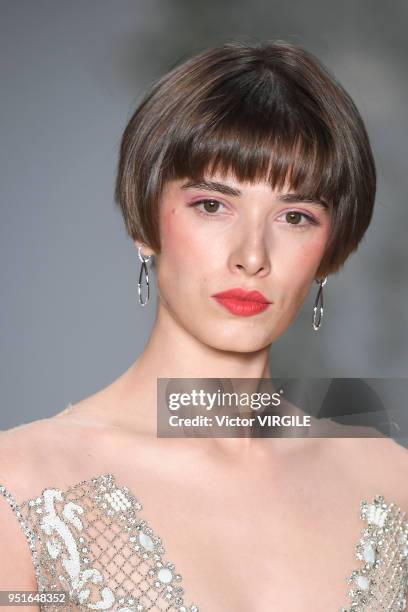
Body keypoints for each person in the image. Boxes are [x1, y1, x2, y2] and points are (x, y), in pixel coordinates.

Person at [1, 38, 407, 612]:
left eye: (295, 216)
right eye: (212, 205)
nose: (251, 255)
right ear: (144, 219)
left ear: (331, 249)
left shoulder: (392, 483)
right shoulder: (19, 488)